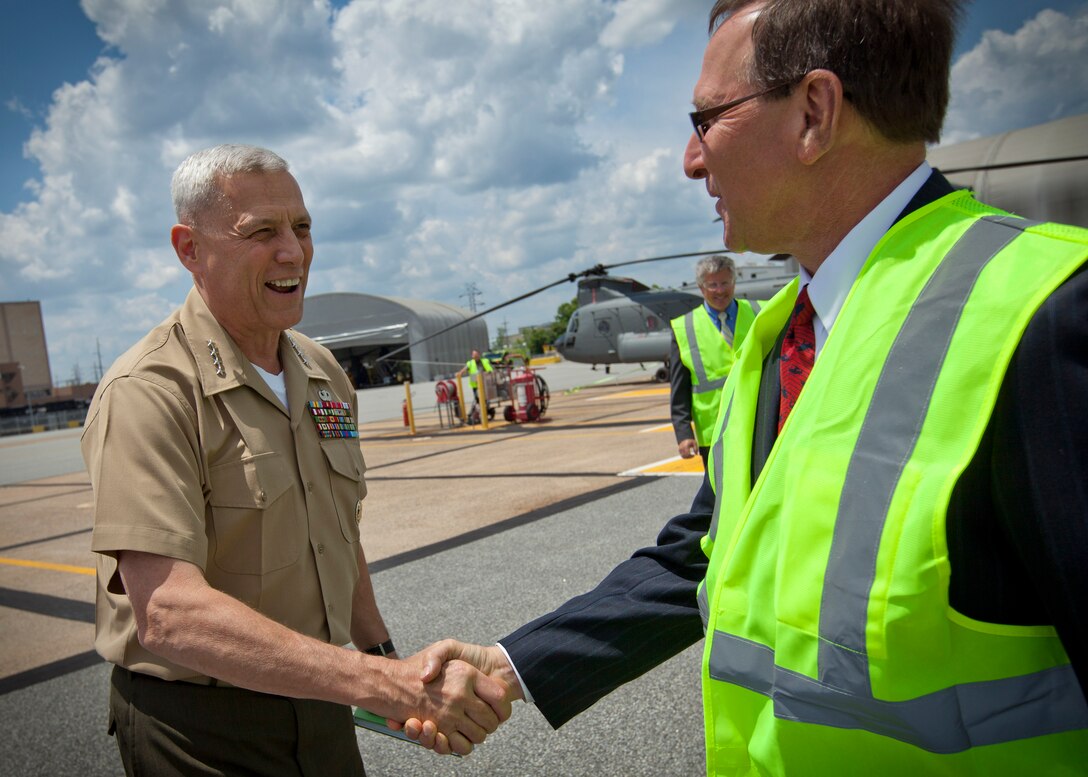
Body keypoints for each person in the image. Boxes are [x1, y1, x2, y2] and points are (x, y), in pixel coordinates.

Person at [406, 1, 1088, 773]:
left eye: (707, 119)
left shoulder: (1046, 314)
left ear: (814, 114)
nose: (691, 161)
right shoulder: (776, 338)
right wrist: (512, 662)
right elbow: (709, 554)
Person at [81, 144, 508, 775]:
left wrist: (388, 657)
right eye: (261, 232)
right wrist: (385, 683)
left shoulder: (323, 375)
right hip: (200, 729)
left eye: (302, 227)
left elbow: (337, 530)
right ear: (189, 249)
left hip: (322, 702)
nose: (293, 252)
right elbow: (169, 614)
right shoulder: (150, 392)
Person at [669, 254, 760, 466]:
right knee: (719, 496)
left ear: (734, 283)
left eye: (725, 283)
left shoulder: (760, 312)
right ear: (701, 288)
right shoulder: (685, 328)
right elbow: (679, 387)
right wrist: (683, 433)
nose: (720, 290)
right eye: (713, 285)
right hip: (714, 431)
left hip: (759, 421)